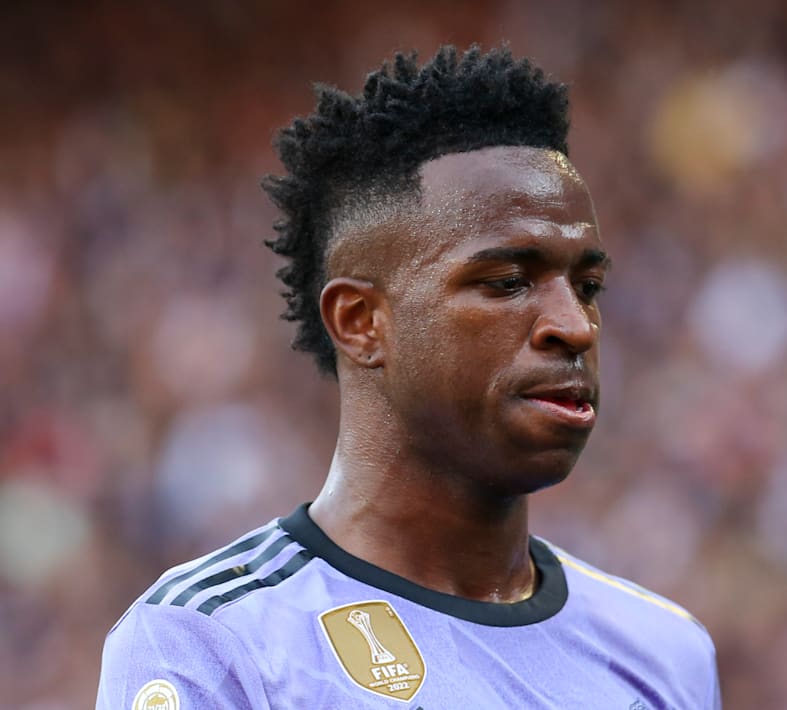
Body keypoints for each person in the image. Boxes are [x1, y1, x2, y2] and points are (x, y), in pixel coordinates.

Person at [96, 45, 720, 709]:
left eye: (587, 286)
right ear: (361, 322)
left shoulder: (665, 652)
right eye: (508, 282)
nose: (576, 326)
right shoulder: (213, 642)